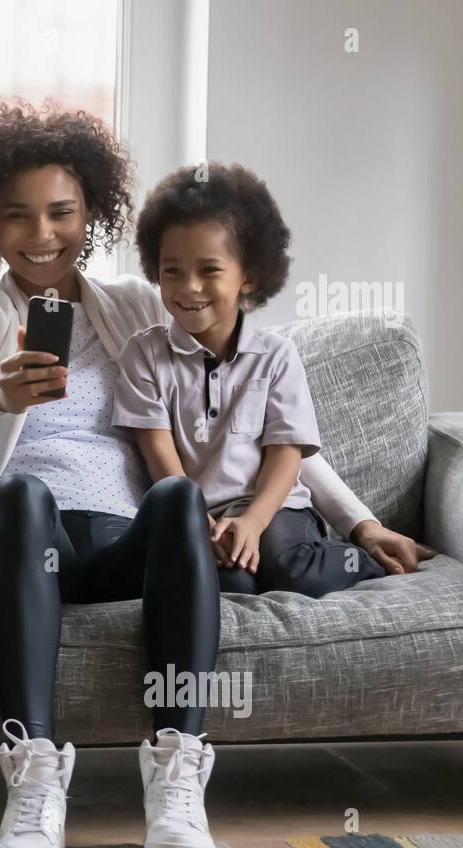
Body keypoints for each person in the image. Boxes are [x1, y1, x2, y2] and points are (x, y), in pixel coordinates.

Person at [0, 102, 435, 848]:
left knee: (175, 497)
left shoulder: (136, 304)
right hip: (30, 547)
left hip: (132, 545)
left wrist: (360, 523)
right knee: (25, 497)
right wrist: (4, 387)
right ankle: (33, 779)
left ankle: (176, 770)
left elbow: (265, 423)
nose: (41, 235)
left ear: (92, 212)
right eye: (17, 216)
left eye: (62, 213)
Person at [116, 160, 386, 597]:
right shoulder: (143, 354)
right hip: (195, 512)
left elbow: (285, 454)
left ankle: (364, 563)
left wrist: (254, 521)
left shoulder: (277, 357)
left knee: (288, 569)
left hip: (275, 509)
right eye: (172, 271)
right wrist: (197, 523)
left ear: (249, 277)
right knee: (232, 582)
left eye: (209, 270)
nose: (189, 287)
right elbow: (159, 455)